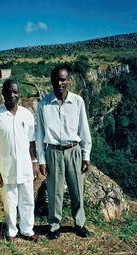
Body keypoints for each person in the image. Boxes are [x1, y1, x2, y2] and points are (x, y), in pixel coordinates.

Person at [36, 65, 92, 239]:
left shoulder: (77, 102)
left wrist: (86, 154)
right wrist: (42, 160)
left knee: (77, 189)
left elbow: (84, 129)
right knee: (54, 191)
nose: (59, 83)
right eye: (56, 79)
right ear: (52, 81)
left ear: (68, 81)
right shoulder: (43, 104)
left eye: (63, 79)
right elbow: (39, 135)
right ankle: (54, 225)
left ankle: (79, 224)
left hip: (73, 150)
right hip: (53, 152)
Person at [0, 79, 40, 242]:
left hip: (25, 164)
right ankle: (11, 232)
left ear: (19, 94)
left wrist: (34, 163)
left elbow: (31, 141)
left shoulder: (27, 114)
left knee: (27, 200)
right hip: (5, 166)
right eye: (9, 91)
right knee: (9, 201)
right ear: (3, 93)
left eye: (15, 91)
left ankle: (27, 230)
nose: (12, 94)